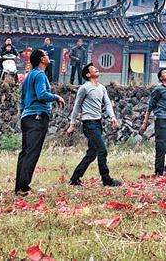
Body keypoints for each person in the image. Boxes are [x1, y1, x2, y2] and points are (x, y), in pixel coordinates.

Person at [15, 49, 65, 196]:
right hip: (37, 116)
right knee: (32, 153)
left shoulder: (29, 75)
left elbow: (22, 99)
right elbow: (42, 95)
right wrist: (56, 97)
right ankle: (23, 187)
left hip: (27, 116)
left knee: (25, 152)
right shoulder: (40, 74)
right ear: (42, 60)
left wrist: (24, 113)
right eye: (46, 55)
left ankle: (20, 186)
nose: (48, 56)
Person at [66, 63, 121, 187]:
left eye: (95, 68)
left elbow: (107, 104)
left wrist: (112, 117)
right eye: (92, 69)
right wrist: (72, 124)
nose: (96, 69)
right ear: (88, 74)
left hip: (98, 122)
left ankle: (75, 179)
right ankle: (106, 179)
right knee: (102, 150)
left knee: (92, 153)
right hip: (89, 123)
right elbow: (77, 106)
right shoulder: (84, 88)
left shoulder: (101, 88)